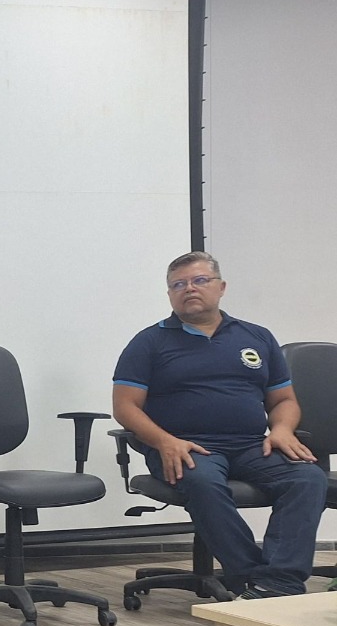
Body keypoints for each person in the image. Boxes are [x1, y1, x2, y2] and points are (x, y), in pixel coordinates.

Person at [113, 252, 325, 599]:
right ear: (169, 295)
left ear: (221, 287)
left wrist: (283, 429)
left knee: (307, 478)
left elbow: (283, 400)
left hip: (251, 445)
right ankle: (249, 578)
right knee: (203, 482)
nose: (189, 289)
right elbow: (125, 406)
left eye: (199, 281)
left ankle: (279, 582)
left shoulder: (256, 337)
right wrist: (164, 441)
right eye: (178, 285)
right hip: (185, 446)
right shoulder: (149, 342)